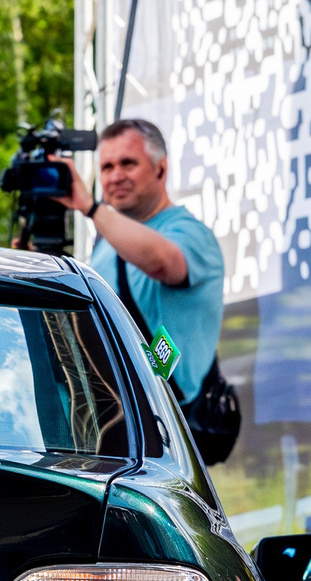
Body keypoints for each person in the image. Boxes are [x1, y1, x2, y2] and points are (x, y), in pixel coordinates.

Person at [51, 117, 227, 408]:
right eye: (107, 167)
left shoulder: (191, 233)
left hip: (171, 420)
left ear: (161, 168)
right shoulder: (106, 241)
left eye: (128, 163)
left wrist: (91, 207)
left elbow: (162, 263)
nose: (116, 176)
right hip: (115, 414)